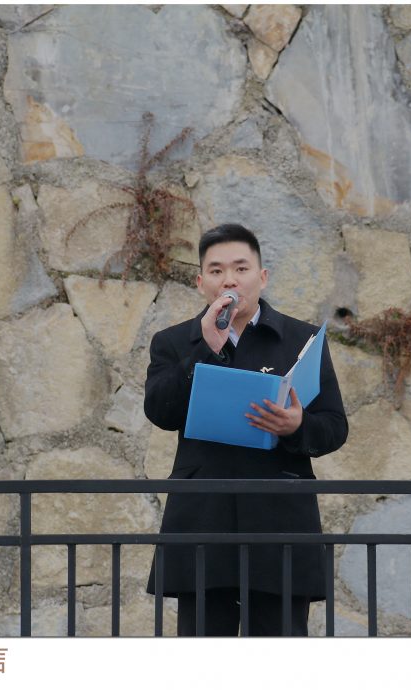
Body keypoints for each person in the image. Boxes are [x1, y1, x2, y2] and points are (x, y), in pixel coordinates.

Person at [144, 223, 348, 636]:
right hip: (203, 520)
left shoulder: (302, 339)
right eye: (216, 270)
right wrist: (204, 349)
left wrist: (297, 425)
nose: (229, 280)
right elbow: (160, 411)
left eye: (241, 268)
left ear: (262, 277)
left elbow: (334, 427)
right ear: (201, 282)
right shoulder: (173, 342)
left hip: (280, 520)